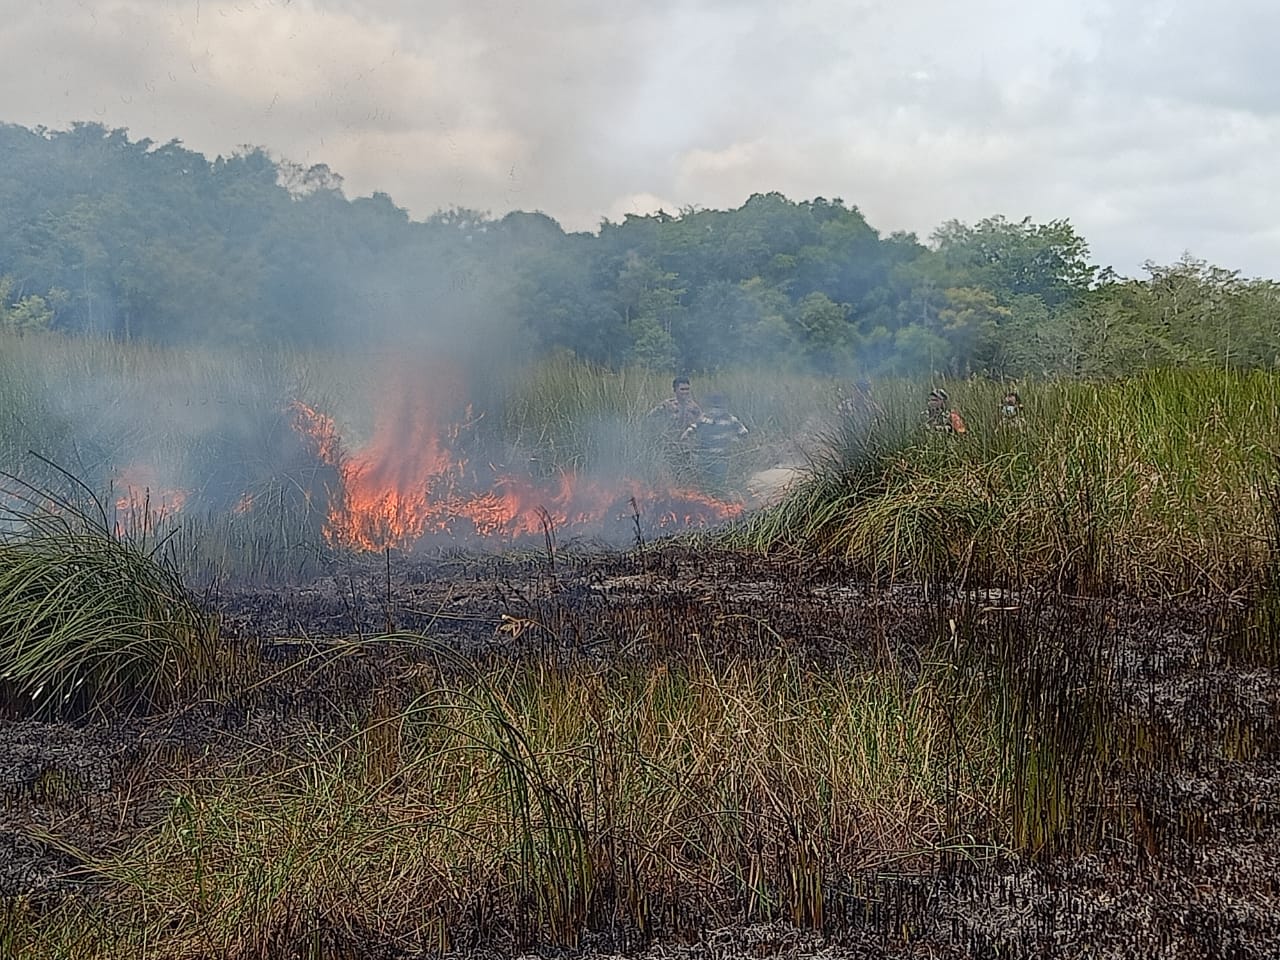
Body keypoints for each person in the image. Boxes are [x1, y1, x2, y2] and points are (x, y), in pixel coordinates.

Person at [681, 393, 749, 493]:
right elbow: (694, 427)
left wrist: (734, 439)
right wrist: (686, 434)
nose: (716, 410)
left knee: (718, 483)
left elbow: (744, 433)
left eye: (719, 407)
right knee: (703, 483)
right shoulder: (705, 418)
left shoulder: (731, 419)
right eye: (714, 407)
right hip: (704, 458)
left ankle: (717, 499)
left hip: (721, 458)